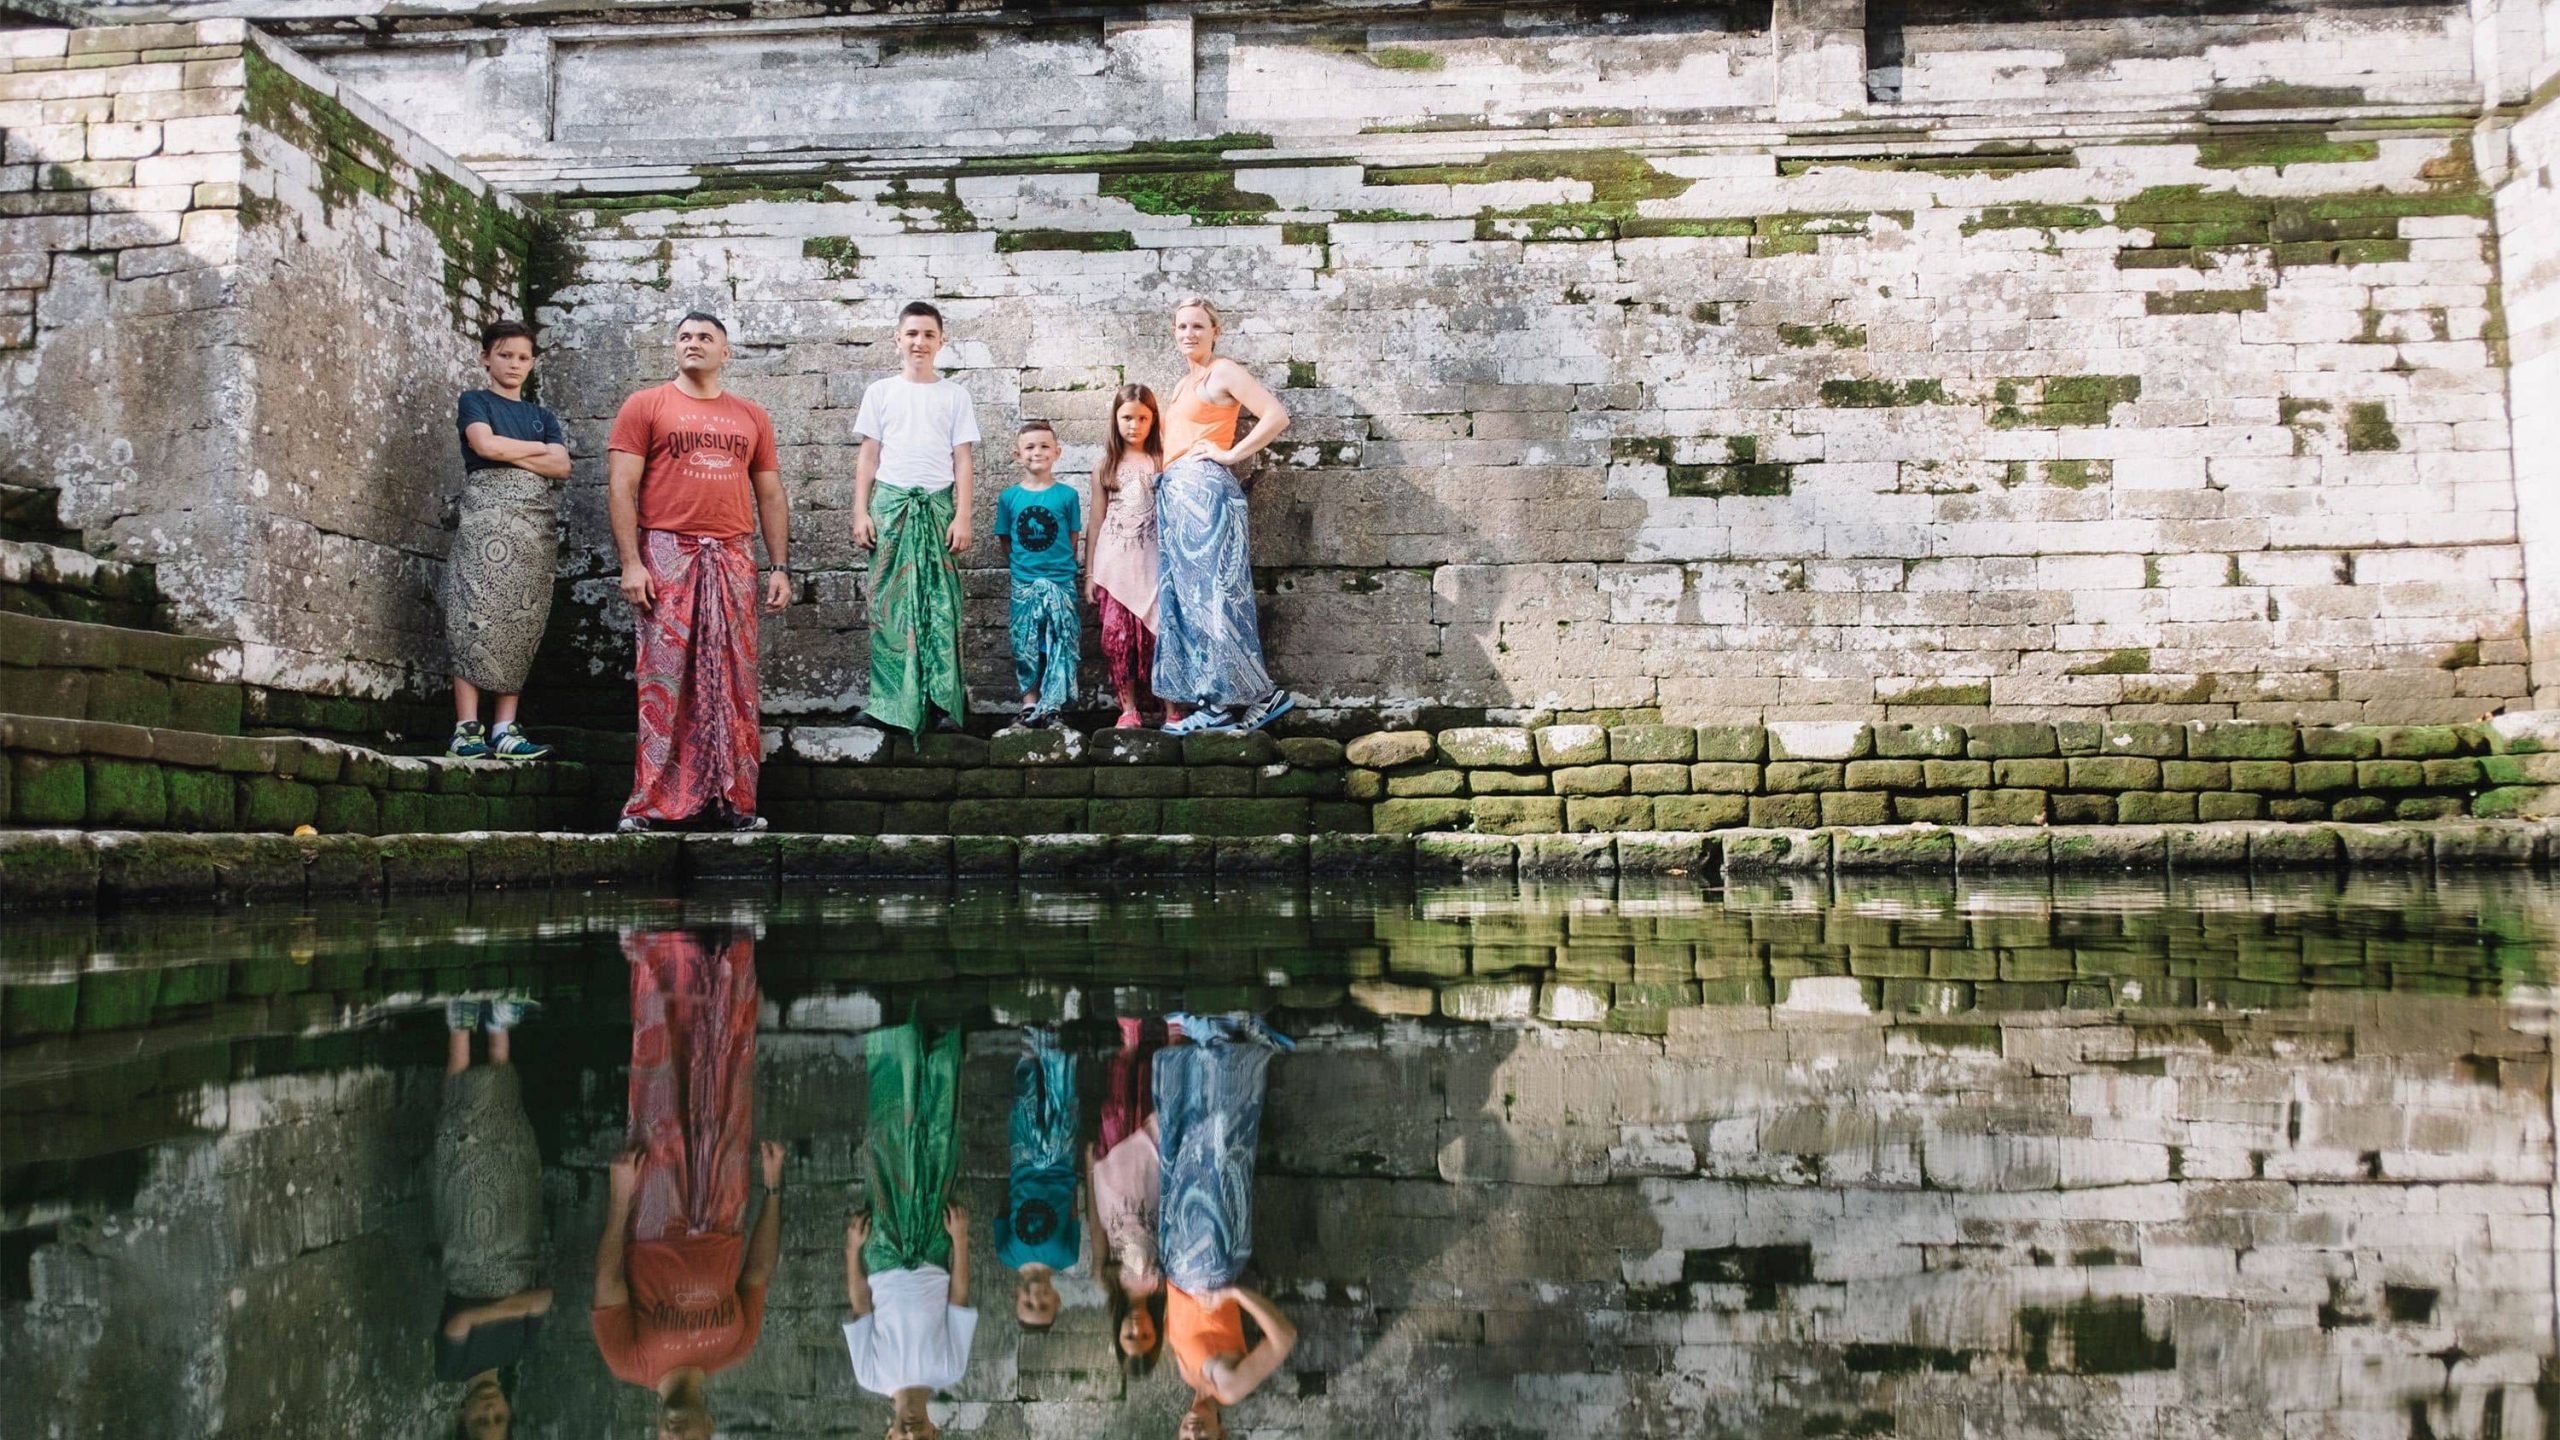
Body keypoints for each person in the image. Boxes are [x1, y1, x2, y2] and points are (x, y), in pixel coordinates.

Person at [606, 312, 792, 834]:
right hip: (667, 551)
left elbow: (771, 494)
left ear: (725, 352)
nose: (693, 344)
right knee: (664, 680)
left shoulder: (751, 415)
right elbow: (622, 487)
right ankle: (651, 805)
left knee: (734, 681)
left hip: (733, 555)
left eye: (705, 337)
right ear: (674, 349)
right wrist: (631, 562)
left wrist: (778, 567)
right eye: (684, 337)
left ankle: (733, 803)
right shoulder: (645, 406)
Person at [593, 931, 783, 1438]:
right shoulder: (734, 1348)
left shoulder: (628, 1362)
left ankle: (656, 953)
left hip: (655, 1221)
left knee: (658, 1084)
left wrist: (619, 1198)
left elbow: (608, 1282)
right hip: (726, 1212)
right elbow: (759, 1269)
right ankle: (729, 958)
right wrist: (774, 1190)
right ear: (711, 1429)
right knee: (725, 1074)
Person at [1152, 297, 1294, 737]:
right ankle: (1225, 700)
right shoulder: (1183, 384)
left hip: (1204, 493)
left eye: (1198, 326)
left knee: (1213, 596)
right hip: (1177, 495)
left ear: (1216, 330)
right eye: (1181, 327)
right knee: (1188, 601)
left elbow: (1276, 415)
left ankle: (1243, 697)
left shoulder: (1223, 371)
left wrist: (1231, 454)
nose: (1189, 334)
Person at [1158, 1013, 1296, 1438]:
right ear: (1223, 1436)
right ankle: (1224, 1043)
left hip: (1178, 1254)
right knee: (1219, 1144)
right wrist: (1236, 1293)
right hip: (1213, 1255)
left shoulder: (1187, 1375)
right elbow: (1284, 1339)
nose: (1195, 1434)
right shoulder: (1230, 1389)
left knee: (1182, 1144)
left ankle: (1202, 1042)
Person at [445, 321, 571, 762]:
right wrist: (532, 452)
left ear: (532, 363)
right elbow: (483, 446)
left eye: (522, 357)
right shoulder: (474, 401)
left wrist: (505, 448)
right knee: (472, 611)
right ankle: (466, 728)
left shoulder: (544, 416)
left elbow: (562, 466)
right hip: (485, 521)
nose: (513, 364)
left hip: (532, 529)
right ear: (486, 358)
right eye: (504, 355)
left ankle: (505, 728)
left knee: (522, 617)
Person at [853, 301, 979, 738]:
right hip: (890, 509)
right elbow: (869, 455)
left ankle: (944, 703)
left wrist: (963, 515)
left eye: (928, 334)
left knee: (941, 607)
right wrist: (860, 511)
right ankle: (888, 703)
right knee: (889, 607)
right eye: (911, 334)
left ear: (941, 341)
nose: (919, 342)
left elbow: (962, 459)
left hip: (938, 508)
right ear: (898, 339)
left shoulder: (954, 395)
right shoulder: (881, 392)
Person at [846, 1019, 973, 1440]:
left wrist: (853, 1250)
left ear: (889, 1436)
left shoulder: (870, 1375)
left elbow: (862, 1303)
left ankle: (893, 1050)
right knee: (935, 1152)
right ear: (935, 1433)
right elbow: (958, 1298)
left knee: (889, 1151)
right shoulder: (950, 1370)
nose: (913, 1435)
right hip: (936, 1253)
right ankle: (940, 1053)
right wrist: (960, 1241)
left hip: (881, 1254)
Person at [434, 997, 550, 1440]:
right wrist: (503, 1309)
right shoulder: (517, 1351)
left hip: (466, 1242)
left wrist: (505, 1308)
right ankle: (499, 1027)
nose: (489, 1412)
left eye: (481, 1421)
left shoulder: (452, 1368)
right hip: (516, 1235)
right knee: (506, 1127)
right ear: (508, 1411)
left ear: (462, 1418)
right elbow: (544, 1299)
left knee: (460, 1132)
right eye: (498, 1419)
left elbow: (457, 1325)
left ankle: (460, 1026)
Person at [993, 422, 1083, 729]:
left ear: (1057, 453)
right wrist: (1024, 569)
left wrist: (1056, 570)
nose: (1037, 452)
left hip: (1060, 580)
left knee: (1060, 641)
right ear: (1017, 455)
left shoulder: (1067, 496)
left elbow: (1072, 538)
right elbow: (1006, 540)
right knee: (1026, 644)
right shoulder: (1009, 498)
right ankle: (1030, 702)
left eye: (1045, 446)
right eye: (1030, 447)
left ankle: (1053, 703)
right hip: (1025, 583)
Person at [1088, 384, 1168, 729]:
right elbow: (1095, 520)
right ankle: (1129, 708)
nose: (1134, 425)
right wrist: (1089, 573)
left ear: (1153, 420)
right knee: (1117, 638)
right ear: (1115, 419)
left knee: (1159, 634)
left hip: (1152, 563)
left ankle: (1171, 708)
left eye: (1141, 418)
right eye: (1126, 417)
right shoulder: (1105, 467)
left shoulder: (1162, 460)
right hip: (1114, 565)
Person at [1090, 1017, 1165, 1376]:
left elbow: (1096, 1229)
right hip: (1151, 1186)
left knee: (1116, 1113)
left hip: (1115, 1187)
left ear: (1118, 1333)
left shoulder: (1107, 1280)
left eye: (1129, 1336)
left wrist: (1089, 1171)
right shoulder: (1164, 1284)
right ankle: (1158, 1044)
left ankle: (1129, 1042)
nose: (1136, 1328)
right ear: (1156, 1331)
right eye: (1145, 1335)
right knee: (1148, 1112)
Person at [997, 1027, 1080, 1331]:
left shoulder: (1007, 1253)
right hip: (1060, 1165)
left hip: (1024, 1164)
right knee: (1062, 1112)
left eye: (1028, 1304)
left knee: (1025, 1108)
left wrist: (1020, 1175)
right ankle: (1055, 1049)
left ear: (1015, 1297)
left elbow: (1004, 1210)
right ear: (1057, 1299)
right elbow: (1072, 1211)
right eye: (1044, 1305)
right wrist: (1066, 1176)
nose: (1037, 1298)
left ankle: (1030, 1055)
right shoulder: (1067, 1256)